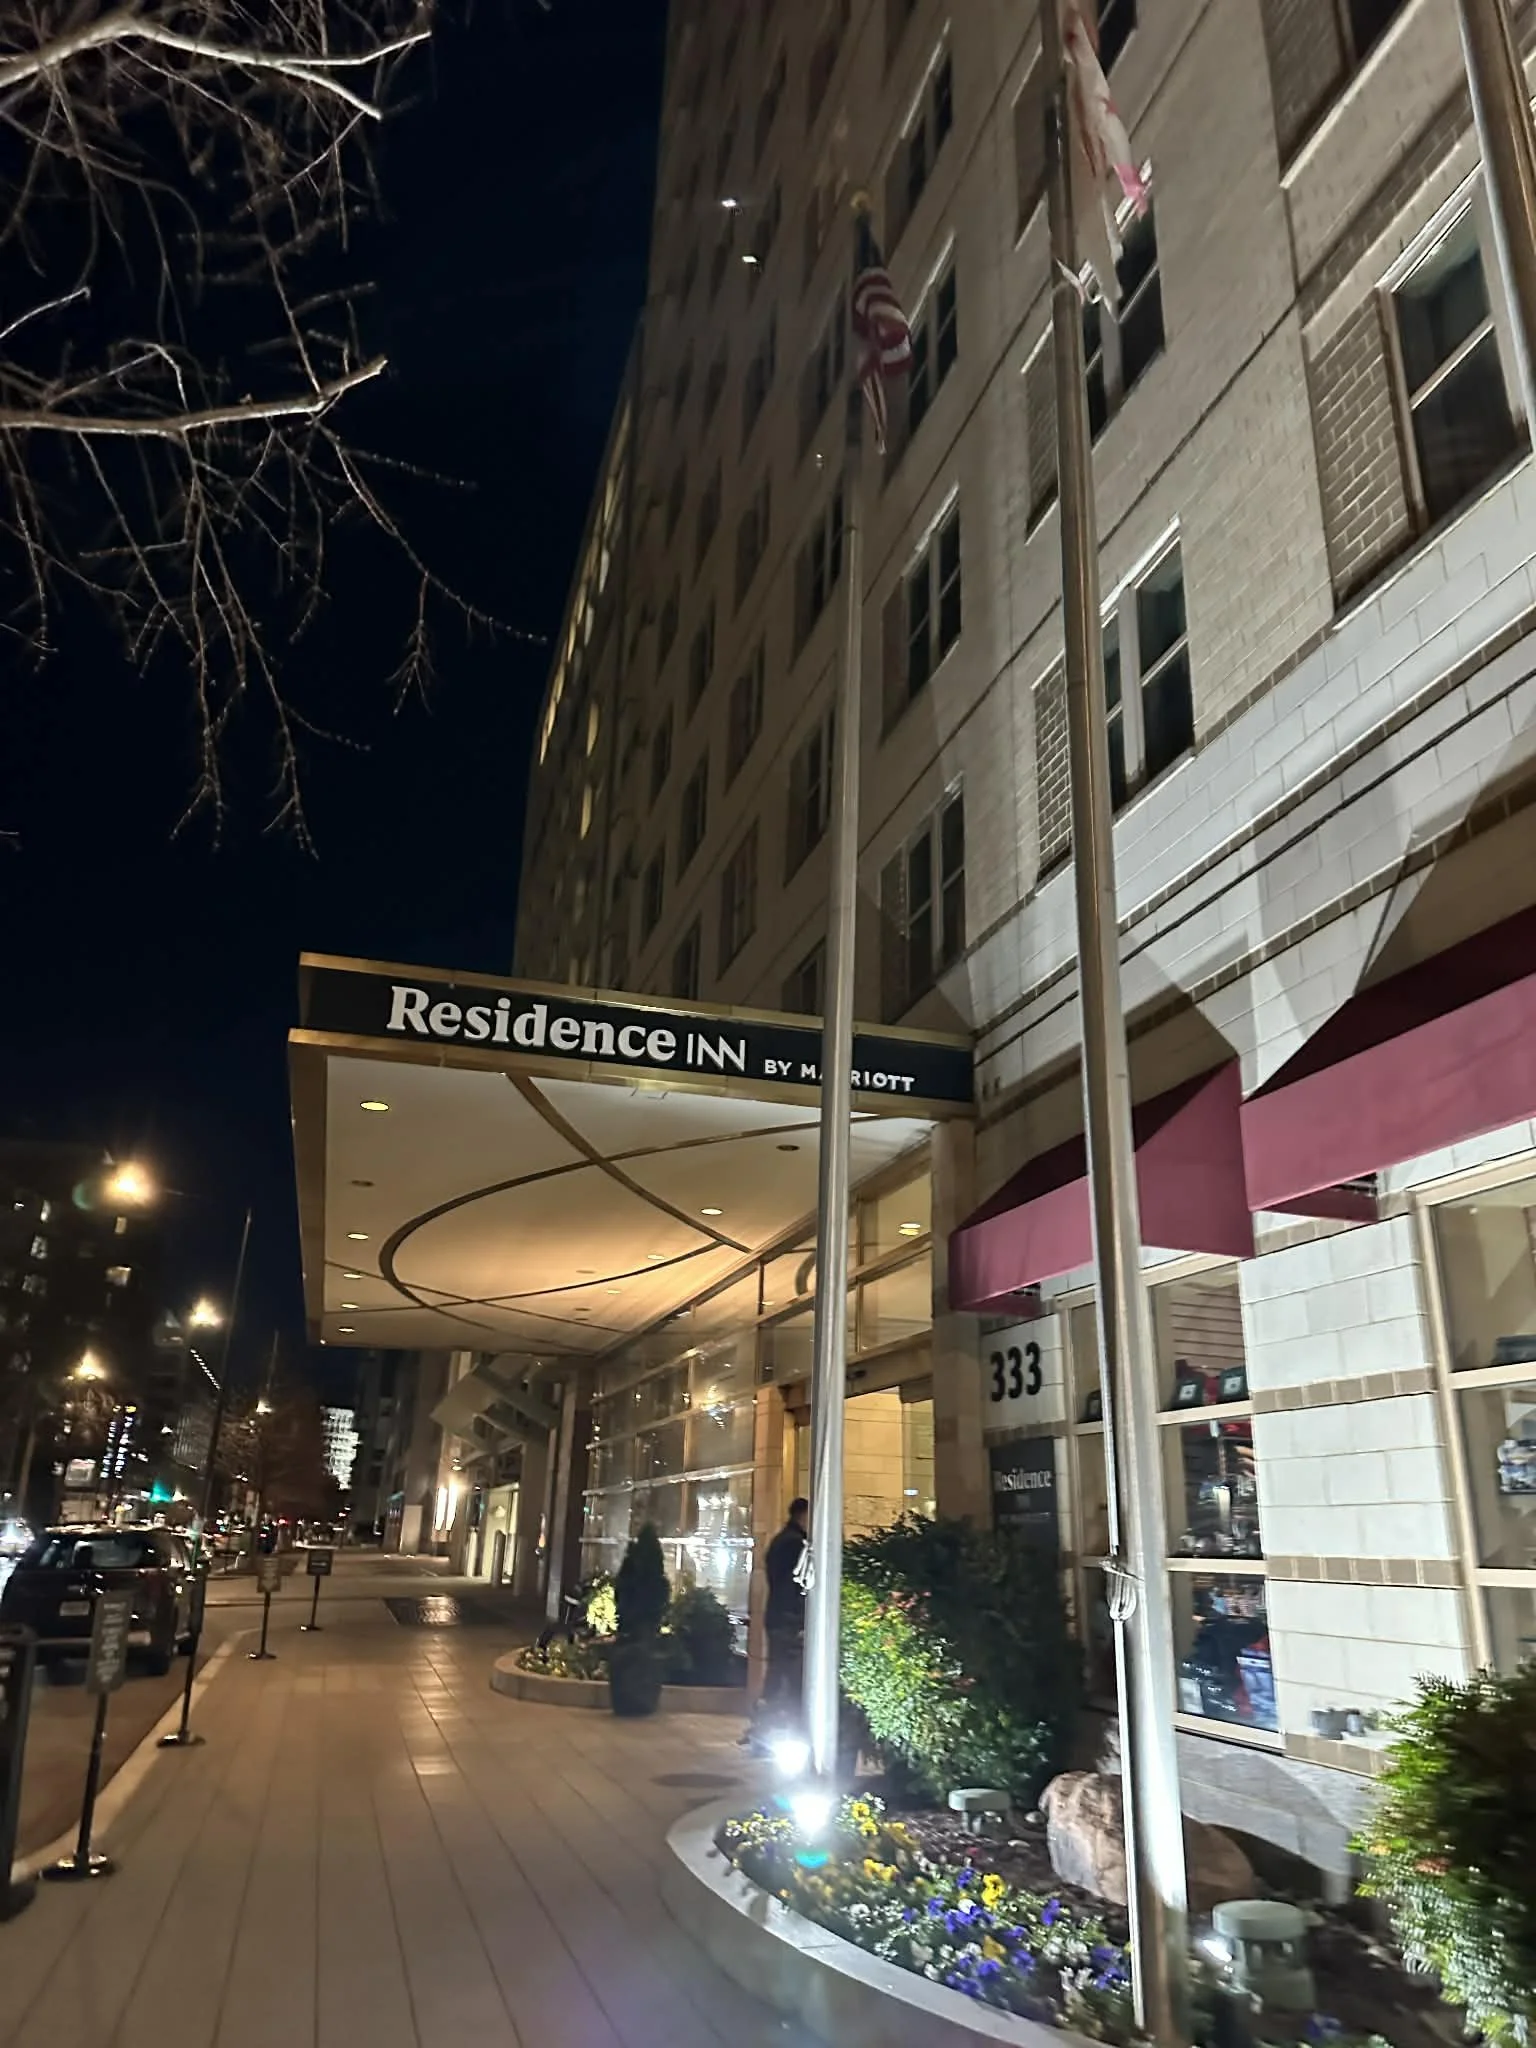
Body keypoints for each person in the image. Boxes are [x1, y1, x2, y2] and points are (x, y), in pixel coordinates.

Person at [762, 1496, 808, 1707]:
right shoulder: (795, 1543)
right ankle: (776, 1712)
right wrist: (799, 1618)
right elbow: (793, 1585)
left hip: (778, 1615)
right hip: (788, 1619)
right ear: (803, 1516)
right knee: (788, 1672)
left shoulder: (781, 1539)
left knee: (777, 1668)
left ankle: (766, 1711)